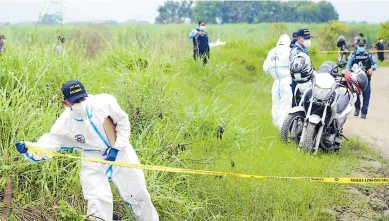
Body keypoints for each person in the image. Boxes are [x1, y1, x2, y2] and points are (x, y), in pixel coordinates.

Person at [15, 80, 159, 221]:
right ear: (66, 103)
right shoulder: (65, 123)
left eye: (82, 98)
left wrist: (116, 147)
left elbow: (122, 121)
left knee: (137, 192)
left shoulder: (103, 103)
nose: (80, 103)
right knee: (98, 198)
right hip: (92, 158)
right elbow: (50, 143)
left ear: (86, 95)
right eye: (75, 101)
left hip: (121, 151)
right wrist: (29, 148)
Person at [263, 34, 292, 129]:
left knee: (276, 104)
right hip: (287, 81)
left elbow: (265, 68)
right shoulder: (289, 51)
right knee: (286, 104)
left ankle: (276, 125)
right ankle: (283, 128)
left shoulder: (272, 51)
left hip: (276, 82)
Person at [345, 38, 378, 119]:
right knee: (355, 95)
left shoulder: (369, 55)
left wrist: (372, 69)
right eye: (360, 46)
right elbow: (348, 67)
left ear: (365, 46)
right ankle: (357, 108)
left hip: (366, 80)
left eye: (362, 46)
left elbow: (375, 64)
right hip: (355, 80)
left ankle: (364, 112)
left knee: (366, 97)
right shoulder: (353, 55)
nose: (361, 47)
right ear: (357, 45)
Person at [289, 28, 313, 107]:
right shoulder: (296, 51)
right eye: (306, 38)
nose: (308, 40)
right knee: (297, 107)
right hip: (297, 82)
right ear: (299, 38)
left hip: (304, 81)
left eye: (309, 38)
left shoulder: (304, 49)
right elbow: (296, 69)